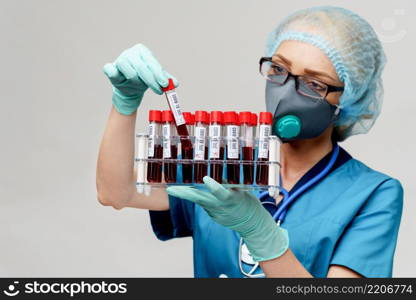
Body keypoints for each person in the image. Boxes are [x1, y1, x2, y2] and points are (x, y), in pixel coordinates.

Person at [96, 6, 403, 278]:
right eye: (279, 69)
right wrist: (126, 102)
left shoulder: (372, 194)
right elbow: (116, 192)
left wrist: (261, 234)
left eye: (314, 83)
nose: (286, 92)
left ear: (346, 101)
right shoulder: (223, 158)